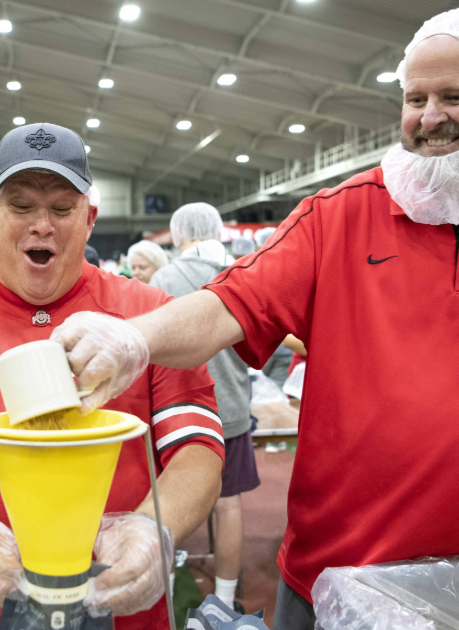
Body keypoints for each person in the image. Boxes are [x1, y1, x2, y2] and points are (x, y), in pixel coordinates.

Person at [51, 8, 459, 630]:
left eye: (456, 96)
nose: (430, 118)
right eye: (416, 98)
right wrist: (132, 337)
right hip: (332, 584)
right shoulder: (341, 215)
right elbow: (225, 307)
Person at [0, 122, 225, 630]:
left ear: (89, 219)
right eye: (21, 206)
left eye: (62, 208)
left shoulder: (150, 318)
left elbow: (197, 448)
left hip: (117, 594)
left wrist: (152, 530)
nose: (43, 224)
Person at [149, 202, 258, 612]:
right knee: (228, 504)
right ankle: (226, 601)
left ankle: (161, 589)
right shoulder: (244, 269)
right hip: (231, 403)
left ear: (178, 233)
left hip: (173, 412)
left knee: (168, 497)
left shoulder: (165, 276)